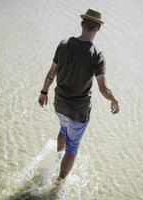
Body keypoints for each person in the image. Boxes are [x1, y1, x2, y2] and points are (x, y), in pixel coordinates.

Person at [38, 8, 119, 181]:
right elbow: (103, 89)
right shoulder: (97, 55)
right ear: (98, 28)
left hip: (59, 103)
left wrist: (44, 92)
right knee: (72, 146)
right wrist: (114, 100)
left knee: (63, 129)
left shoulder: (64, 44)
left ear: (82, 24)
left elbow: (52, 72)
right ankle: (58, 184)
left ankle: (58, 159)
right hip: (78, 110)